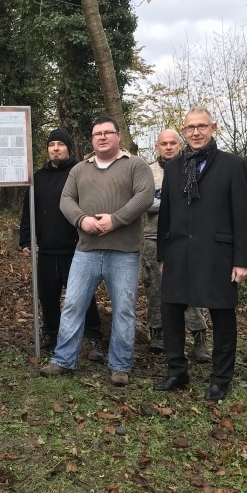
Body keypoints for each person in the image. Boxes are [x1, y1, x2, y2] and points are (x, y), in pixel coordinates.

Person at [39, 117, 154, 385]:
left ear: (118, 136)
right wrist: (82, 220)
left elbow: (145, 197)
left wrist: (116, 219)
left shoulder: (135, 165)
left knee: (124, 310)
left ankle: (120, 366)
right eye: (97, 134)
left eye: (107, 133)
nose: (102, 137)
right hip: (86, 251)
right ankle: (64, 360)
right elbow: (66, 200)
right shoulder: (79, 169)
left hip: (123, 252)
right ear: (91, 139)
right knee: (73, 305)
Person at [154, 106, 247, 401]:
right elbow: (166, 214)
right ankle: (177, 372)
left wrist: (242, 260)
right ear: (184, 132)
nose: (195, 132)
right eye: (190, 128)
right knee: (171, 310)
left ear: (213, 128)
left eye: (201, 126)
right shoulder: (173, 167)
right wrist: (162, 253)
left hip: (218, 253)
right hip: (178, 251)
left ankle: (221, 378)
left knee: (222, 314)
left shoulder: (233, 165)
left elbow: (243, 216)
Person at [19, 129, 105, 362]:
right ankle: (51, 334)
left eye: (60, 144)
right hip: (46, 248)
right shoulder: (38, 177)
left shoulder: (79, 173)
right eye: (51, 144)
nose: (55, 148)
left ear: (68, 148)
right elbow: (29, 210)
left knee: (82, 297)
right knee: (47, 295)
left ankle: (94, 337)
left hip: (76, 248)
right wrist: (26, 239)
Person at [143, 129, 210, 362]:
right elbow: (143, 202)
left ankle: (199, 338)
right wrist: (174, 203)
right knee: (155, 288)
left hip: (187, 239)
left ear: (180, 146)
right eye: (164, 144)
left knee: (191, 288)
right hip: (152, 237)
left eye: (173, 143)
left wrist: (164, 202)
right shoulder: (147, 172)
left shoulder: (191, 168)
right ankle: (158, 334)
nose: (168, 147)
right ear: (156, 147)